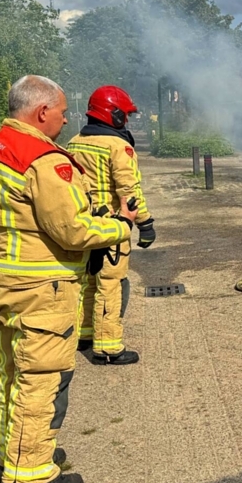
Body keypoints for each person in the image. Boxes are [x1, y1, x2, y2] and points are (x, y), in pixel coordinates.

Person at [0, 75, 137, 483]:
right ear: (42, 111)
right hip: (42, 289)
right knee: (43, 378)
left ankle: (20, 454)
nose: (65, 120)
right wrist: (120, 226)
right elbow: (72, 230)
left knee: (13, 375)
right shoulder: (42, 160)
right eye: (61, 112)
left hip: (1, 282)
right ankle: (30, 475)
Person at [68, 86, 155, 365]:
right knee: (110, 283)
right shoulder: (118, 147)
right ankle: (107, 349)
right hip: (112, 226)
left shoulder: (74, 142)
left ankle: (84, 334)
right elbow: (129, 191)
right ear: (114, 115)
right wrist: (145, 222)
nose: (126, 120)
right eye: (125, 115)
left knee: (87, 281)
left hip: (84, 222)